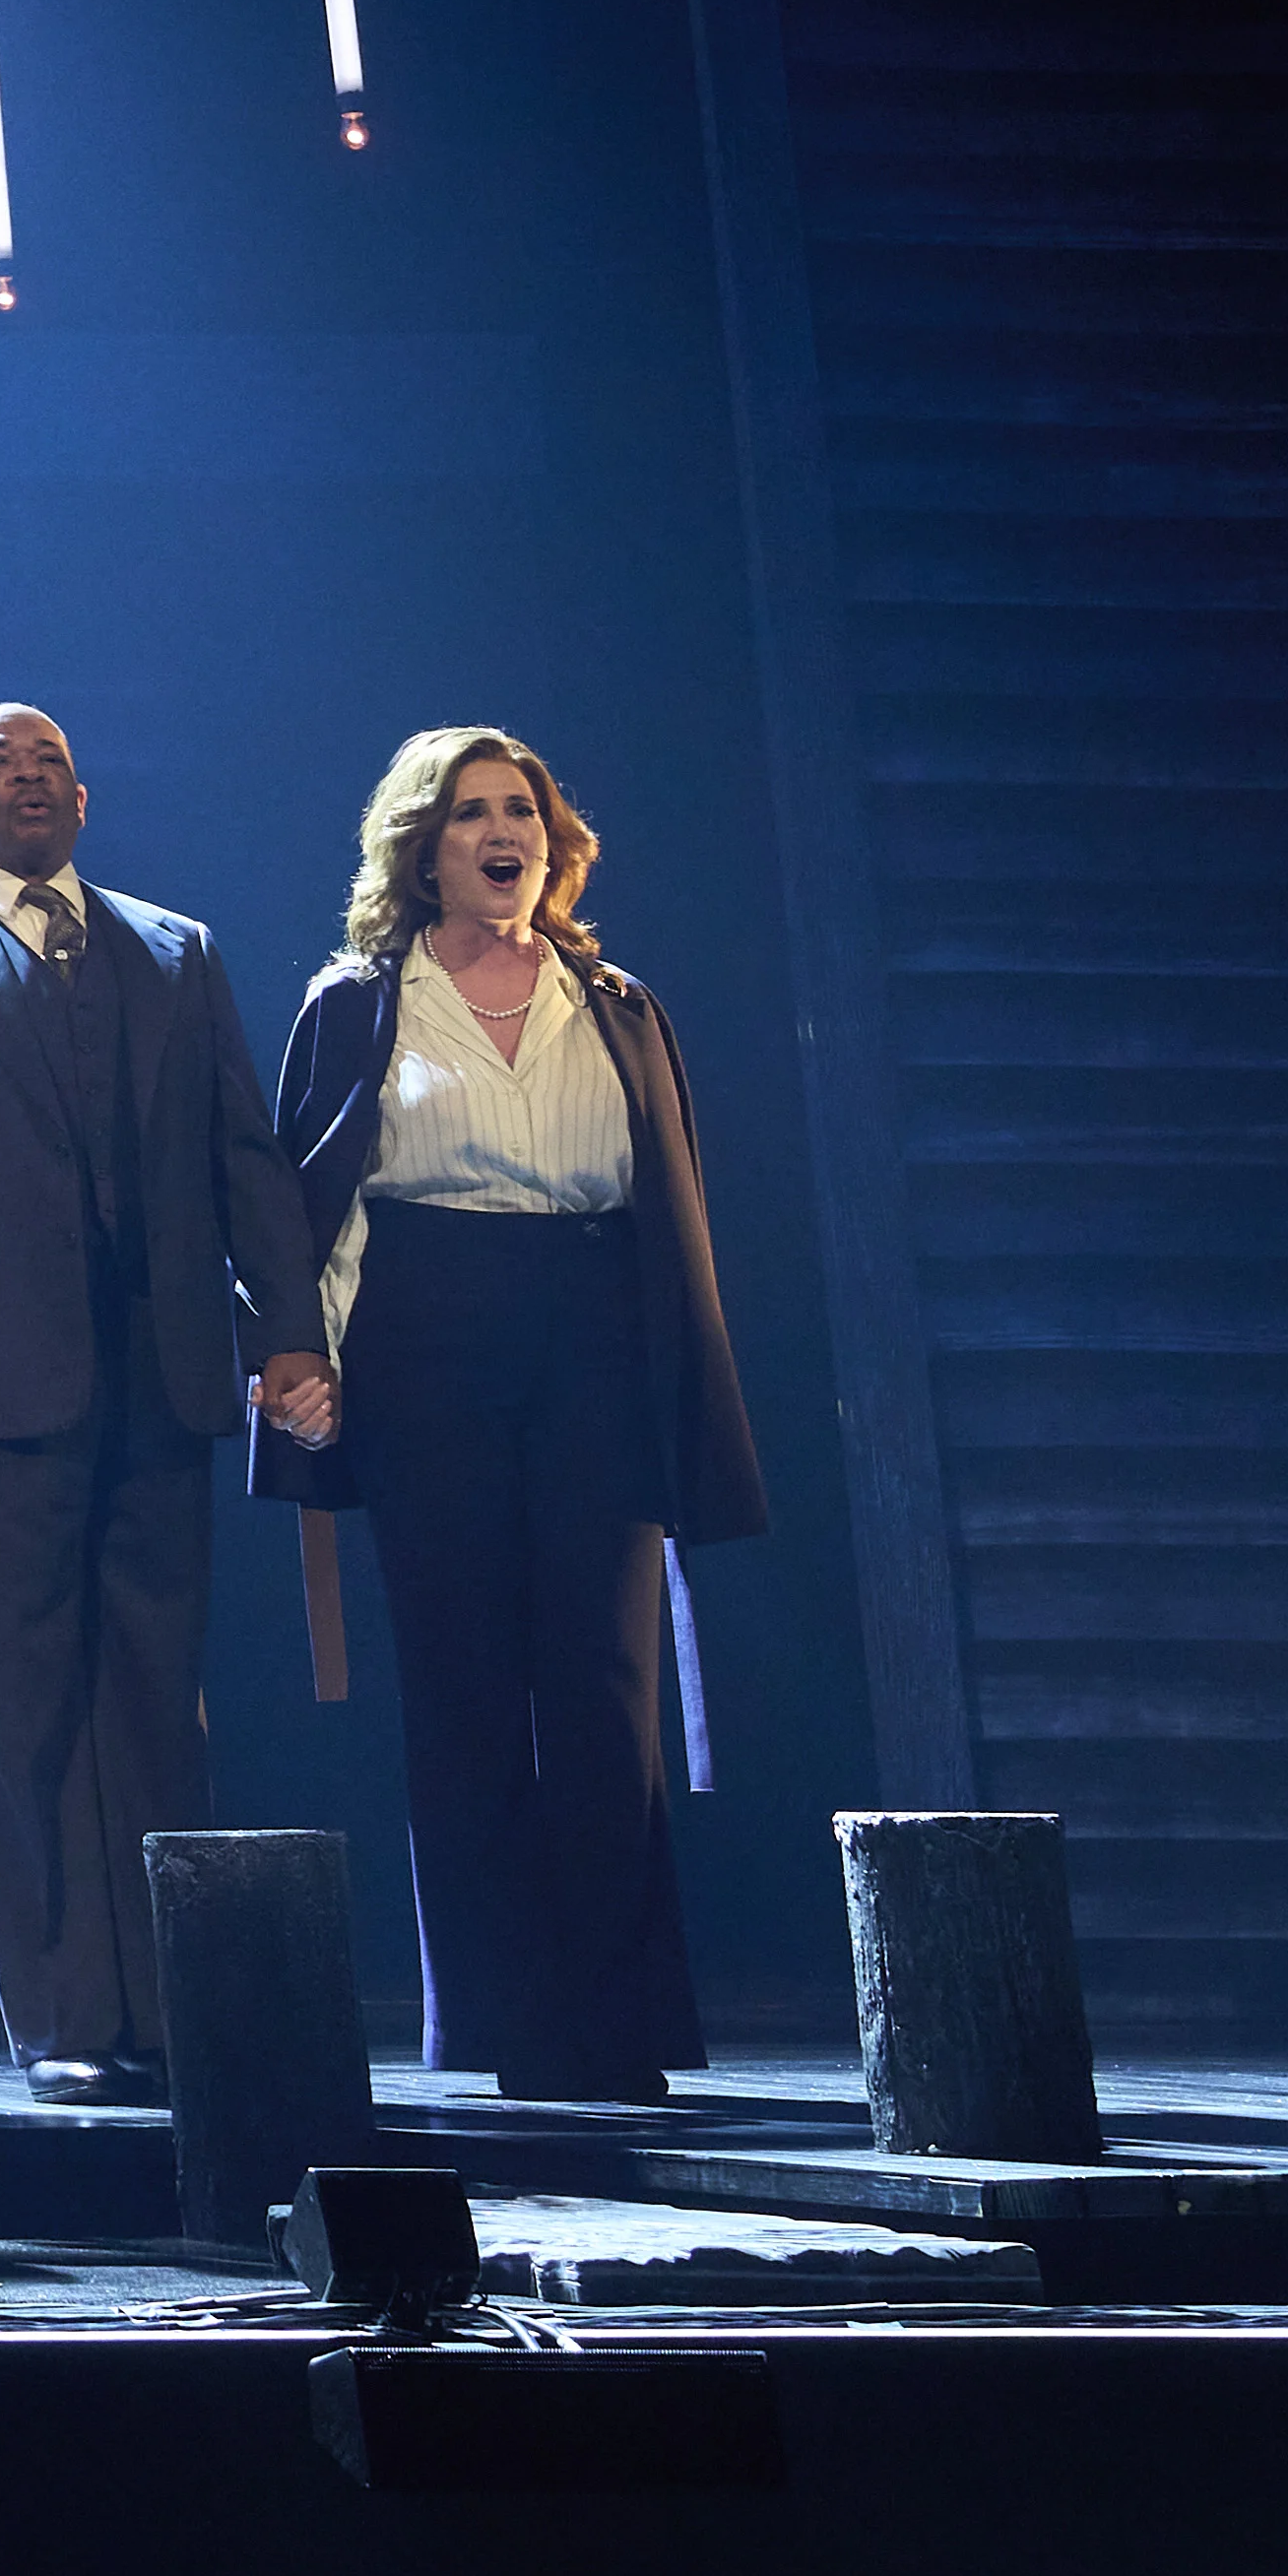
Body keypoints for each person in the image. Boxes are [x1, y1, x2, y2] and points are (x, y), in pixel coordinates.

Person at [0, 700, 331, 2098]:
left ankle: (177, 2002)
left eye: (49, 760)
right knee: (27, 1694)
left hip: (162, 1370)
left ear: (86, 798)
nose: (27, 775)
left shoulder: (172, 948)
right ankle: (62, 2014)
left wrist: (289, 1332)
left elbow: (245, 1156)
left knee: (161, 1690)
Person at [265, 727, 767, 2103]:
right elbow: (317, 1203)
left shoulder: (615, 1001)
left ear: (553, 841)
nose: (506, 831)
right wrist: (299, 1355)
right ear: (421, 845)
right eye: (474, 810)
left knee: (605, 1680)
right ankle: (495, 2013)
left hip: (592, 1331)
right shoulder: (361, 1001)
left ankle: (613, 2015)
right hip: (429, 1334)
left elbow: (673, 1209)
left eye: (524, 809)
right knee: (466, 1678)